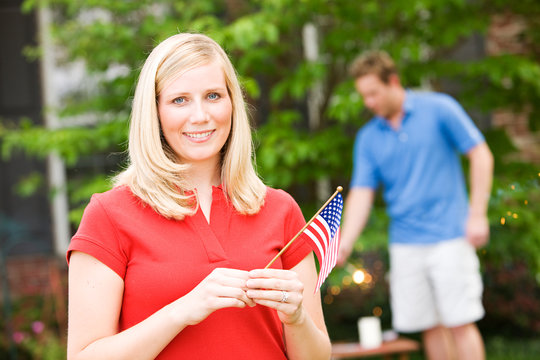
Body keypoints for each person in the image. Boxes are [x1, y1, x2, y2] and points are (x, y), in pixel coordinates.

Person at [66, 33, 331, 360]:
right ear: (156, 112)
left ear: (233, 103)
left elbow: (317, 356)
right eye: (180, 100)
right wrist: (183, 310)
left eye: (213, 96)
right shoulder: (109, 215)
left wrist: (296, 318)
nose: (201, 115)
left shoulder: (280, 210)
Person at [337, 51, 493, 360]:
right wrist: (344, 241)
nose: (368, 102)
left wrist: (477, 215)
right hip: (406, 244)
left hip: (450, 236)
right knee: (429, 327)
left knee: (460, 323)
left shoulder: (439, 108)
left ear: (393, 81)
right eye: (363, 96)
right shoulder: (368, 138)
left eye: (373, 93)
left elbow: (481, 155)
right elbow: (362, 194)